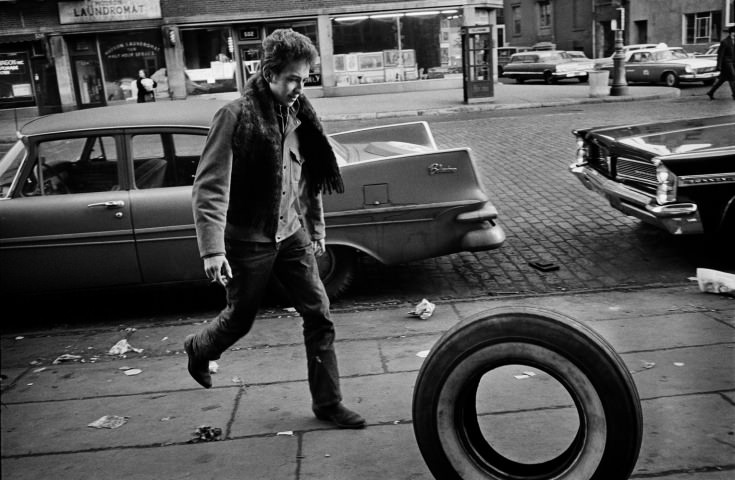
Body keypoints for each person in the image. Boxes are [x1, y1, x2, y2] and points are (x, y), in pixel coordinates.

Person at [184, 29, 365, 429]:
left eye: (305, 79)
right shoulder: (235, 116)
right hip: (248, 240)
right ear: (269, 73)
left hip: (292, 234)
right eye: (293, 79)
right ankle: (200, 346)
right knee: (240, 317)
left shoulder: (301, 116)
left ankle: (328, 403)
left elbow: (309, 179)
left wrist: (316, 229)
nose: (301, 88)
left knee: (319, 312)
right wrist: (213, 250)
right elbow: (211, 185)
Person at [706, 26, 735, 100]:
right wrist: (718, 66)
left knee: (722, 79)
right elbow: (720, 55)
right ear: (731, 33)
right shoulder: (725, 42)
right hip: (727, 63)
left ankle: (711, 92)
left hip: (733, 63)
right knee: (732, 77)